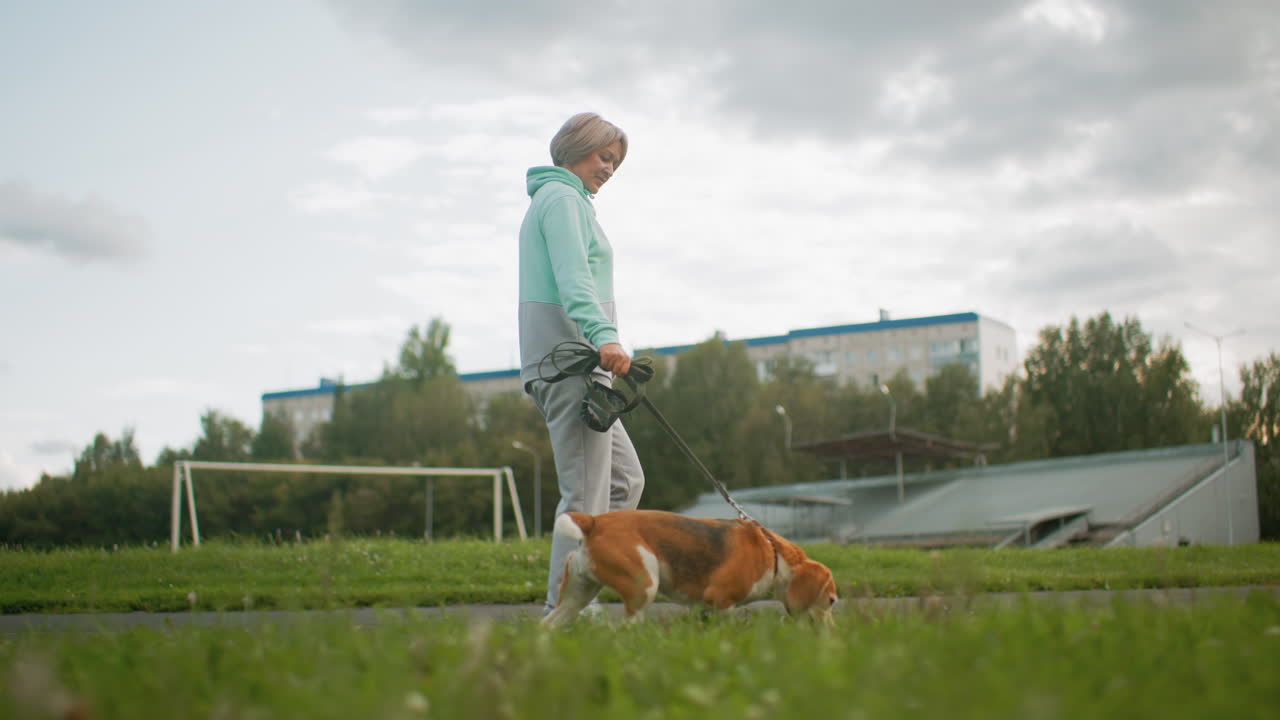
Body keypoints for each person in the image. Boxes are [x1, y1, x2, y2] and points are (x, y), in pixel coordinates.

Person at [518, 112, 645, 613]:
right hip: (570, 364)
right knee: (585, 500)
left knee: (623, 482)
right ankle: (566, 613)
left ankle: (587, 588)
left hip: (578, 365)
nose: (609, 168)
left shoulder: (566, 202)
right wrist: (605, 337)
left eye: (615, 162)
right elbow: (574, 280)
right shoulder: (563, 199)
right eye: (603, 156)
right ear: (575, 147)